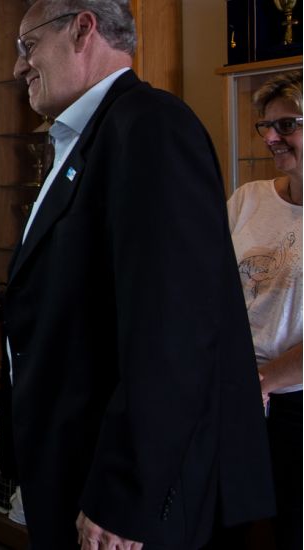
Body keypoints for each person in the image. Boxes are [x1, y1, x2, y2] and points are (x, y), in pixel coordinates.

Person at [0, 1, 275, 548]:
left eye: (28, 46)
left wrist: (124, 492)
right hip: (73, 455)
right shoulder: (90, 137)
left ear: (82, 29)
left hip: (124, 490)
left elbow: (173, 331)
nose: (18, 67)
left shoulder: (150, 126)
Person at [226, 70, 302, 550]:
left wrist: (262, 382)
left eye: (287, 124)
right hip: (234, 389)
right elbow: (208, 290)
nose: (271, 137)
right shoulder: (248, 200)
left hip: (293, 404)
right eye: (266, 126)